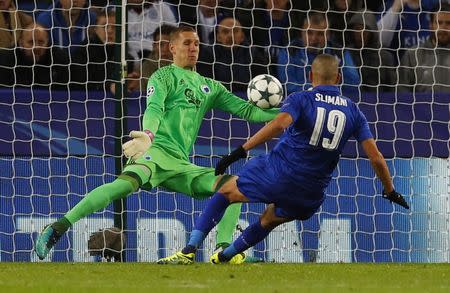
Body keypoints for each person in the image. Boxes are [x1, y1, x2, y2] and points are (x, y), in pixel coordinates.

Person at [34, 26, 279, 262]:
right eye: (187, 43)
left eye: (196, 43)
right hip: (155, 152)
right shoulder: (162, 76)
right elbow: (154, 108)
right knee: (122, 187)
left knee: (232, 186)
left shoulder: (211, 87)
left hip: (182, 165)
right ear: (172, 48)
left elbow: (249, 111)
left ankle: (225, 250)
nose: (193, 48)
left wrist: (288, 113)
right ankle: (57, 228)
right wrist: (148, 135)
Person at [158, 54, 409, 265]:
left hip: (278, 173)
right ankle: (225, 256)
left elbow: (279, 125)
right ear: (339, 78)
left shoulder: (301, 98)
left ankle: (189, 250)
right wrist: (390, 190)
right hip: (310, 194)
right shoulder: (353, 110)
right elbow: (375, 157)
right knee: (269, 219)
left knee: (225, 190)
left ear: (311, 76)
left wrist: (239, 151)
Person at [276, 12, 360, 96]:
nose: (314, 38)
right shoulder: (289, 52)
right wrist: (324, 88)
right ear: (302, 33)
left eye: (320, 34)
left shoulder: (339, 53)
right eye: (309, 33)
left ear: (328, 35)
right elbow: (288, 85)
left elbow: (353, 84)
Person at [197, 17, 269, 93]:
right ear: (218, 37)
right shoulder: (209, 54)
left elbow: (262, 82)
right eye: (225, 31)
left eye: (235, 31)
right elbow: (206, 84)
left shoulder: (253, 54)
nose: (230, 35)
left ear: (242, 37)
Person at [398, 3, 450, 93]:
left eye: (448, 23)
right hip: (421, 107)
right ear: (430, 25)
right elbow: (401, 91)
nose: (443, 28)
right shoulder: (413, 54)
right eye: (439, 23)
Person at [0, 23, 70, 89]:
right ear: (21, 43)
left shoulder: (60, 58)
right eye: (31, 42)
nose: (36, 47)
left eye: (41, 42)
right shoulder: (5, 59)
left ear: (47, 42)